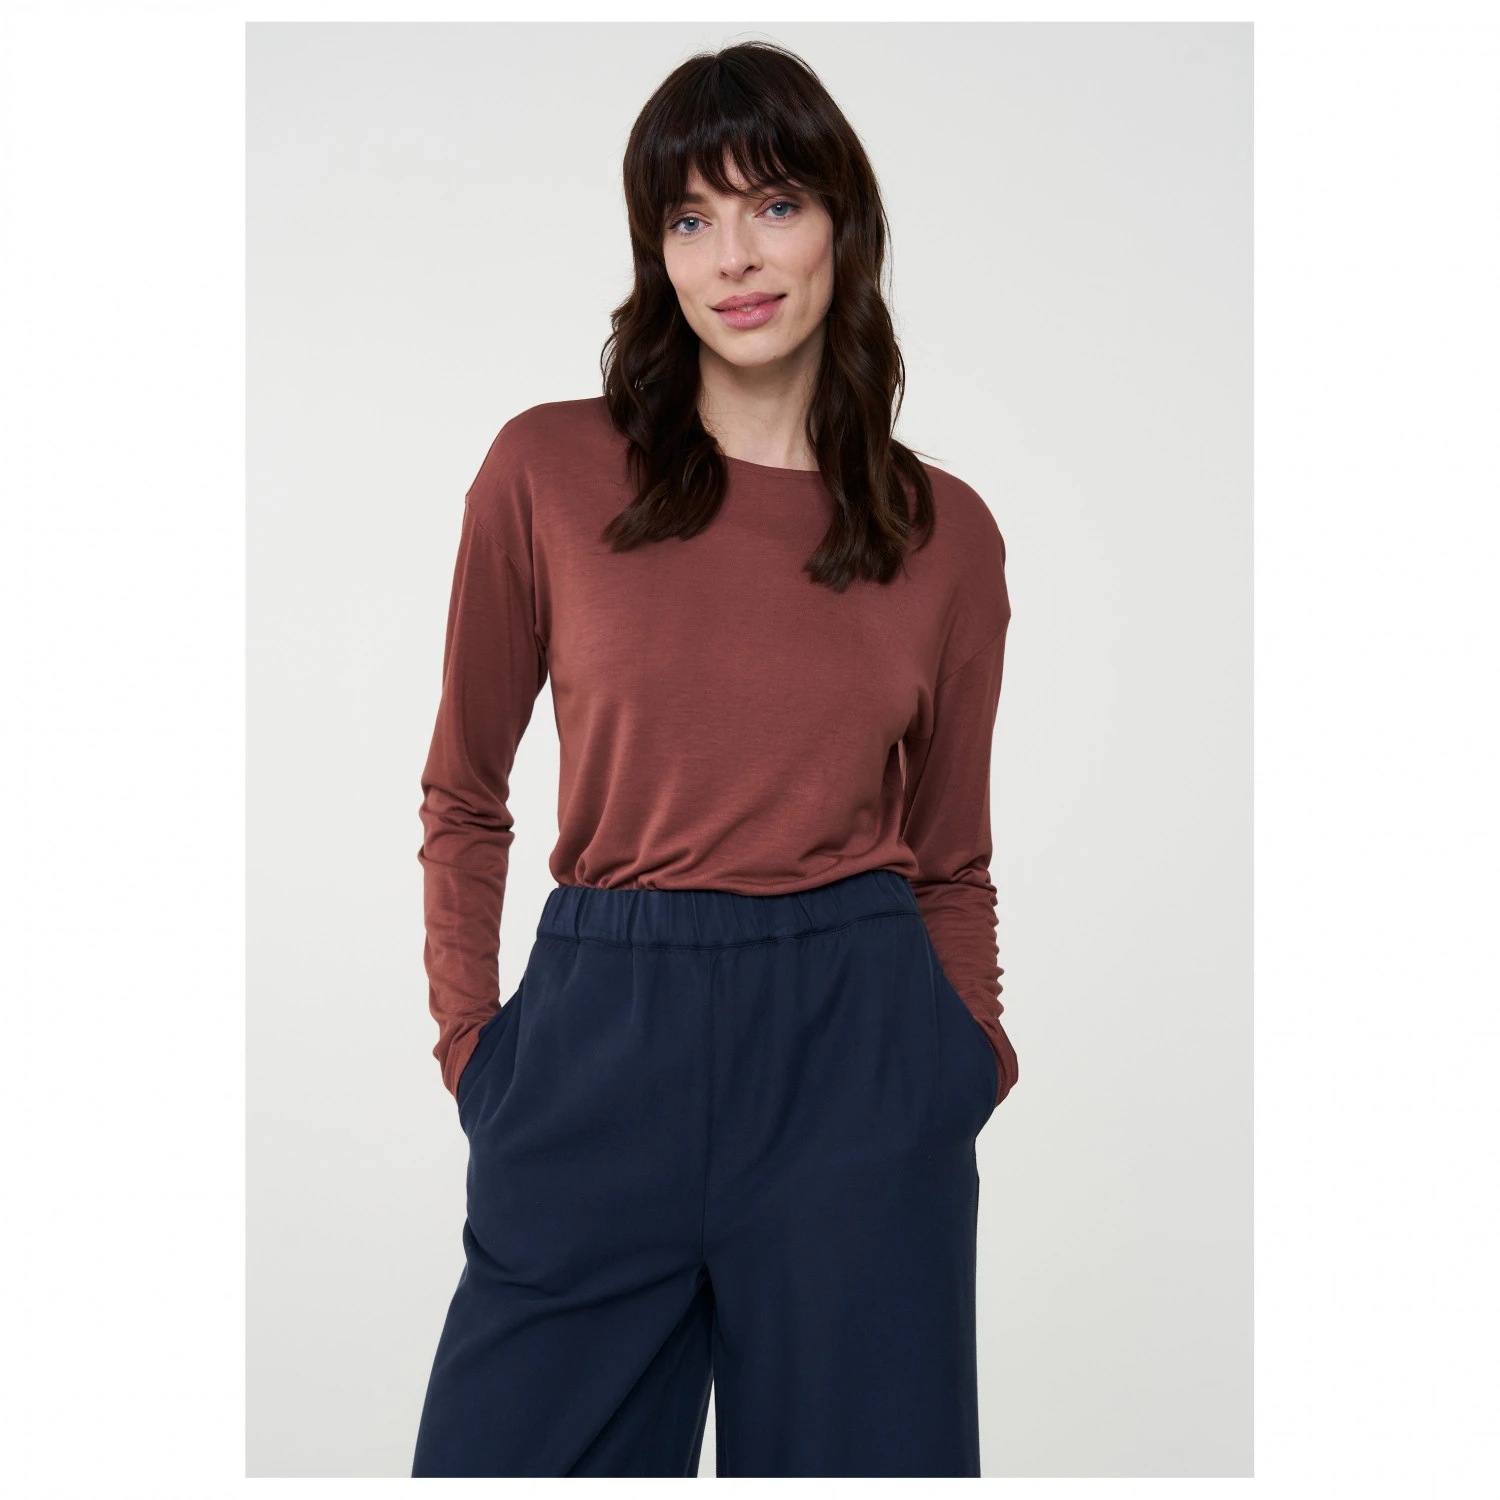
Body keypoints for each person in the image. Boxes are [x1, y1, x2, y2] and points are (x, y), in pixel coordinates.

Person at [410, 39, 1017, 1479]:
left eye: (774, 205)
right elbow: (464, 791)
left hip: (860, 1060)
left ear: (845, 229)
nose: (733, 256)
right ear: (657, 253)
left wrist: (964, 1062)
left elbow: (950, 855)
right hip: (597, 1049)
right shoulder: (547, 471)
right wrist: (476, 1052)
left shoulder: (945, 534)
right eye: (691, 218)